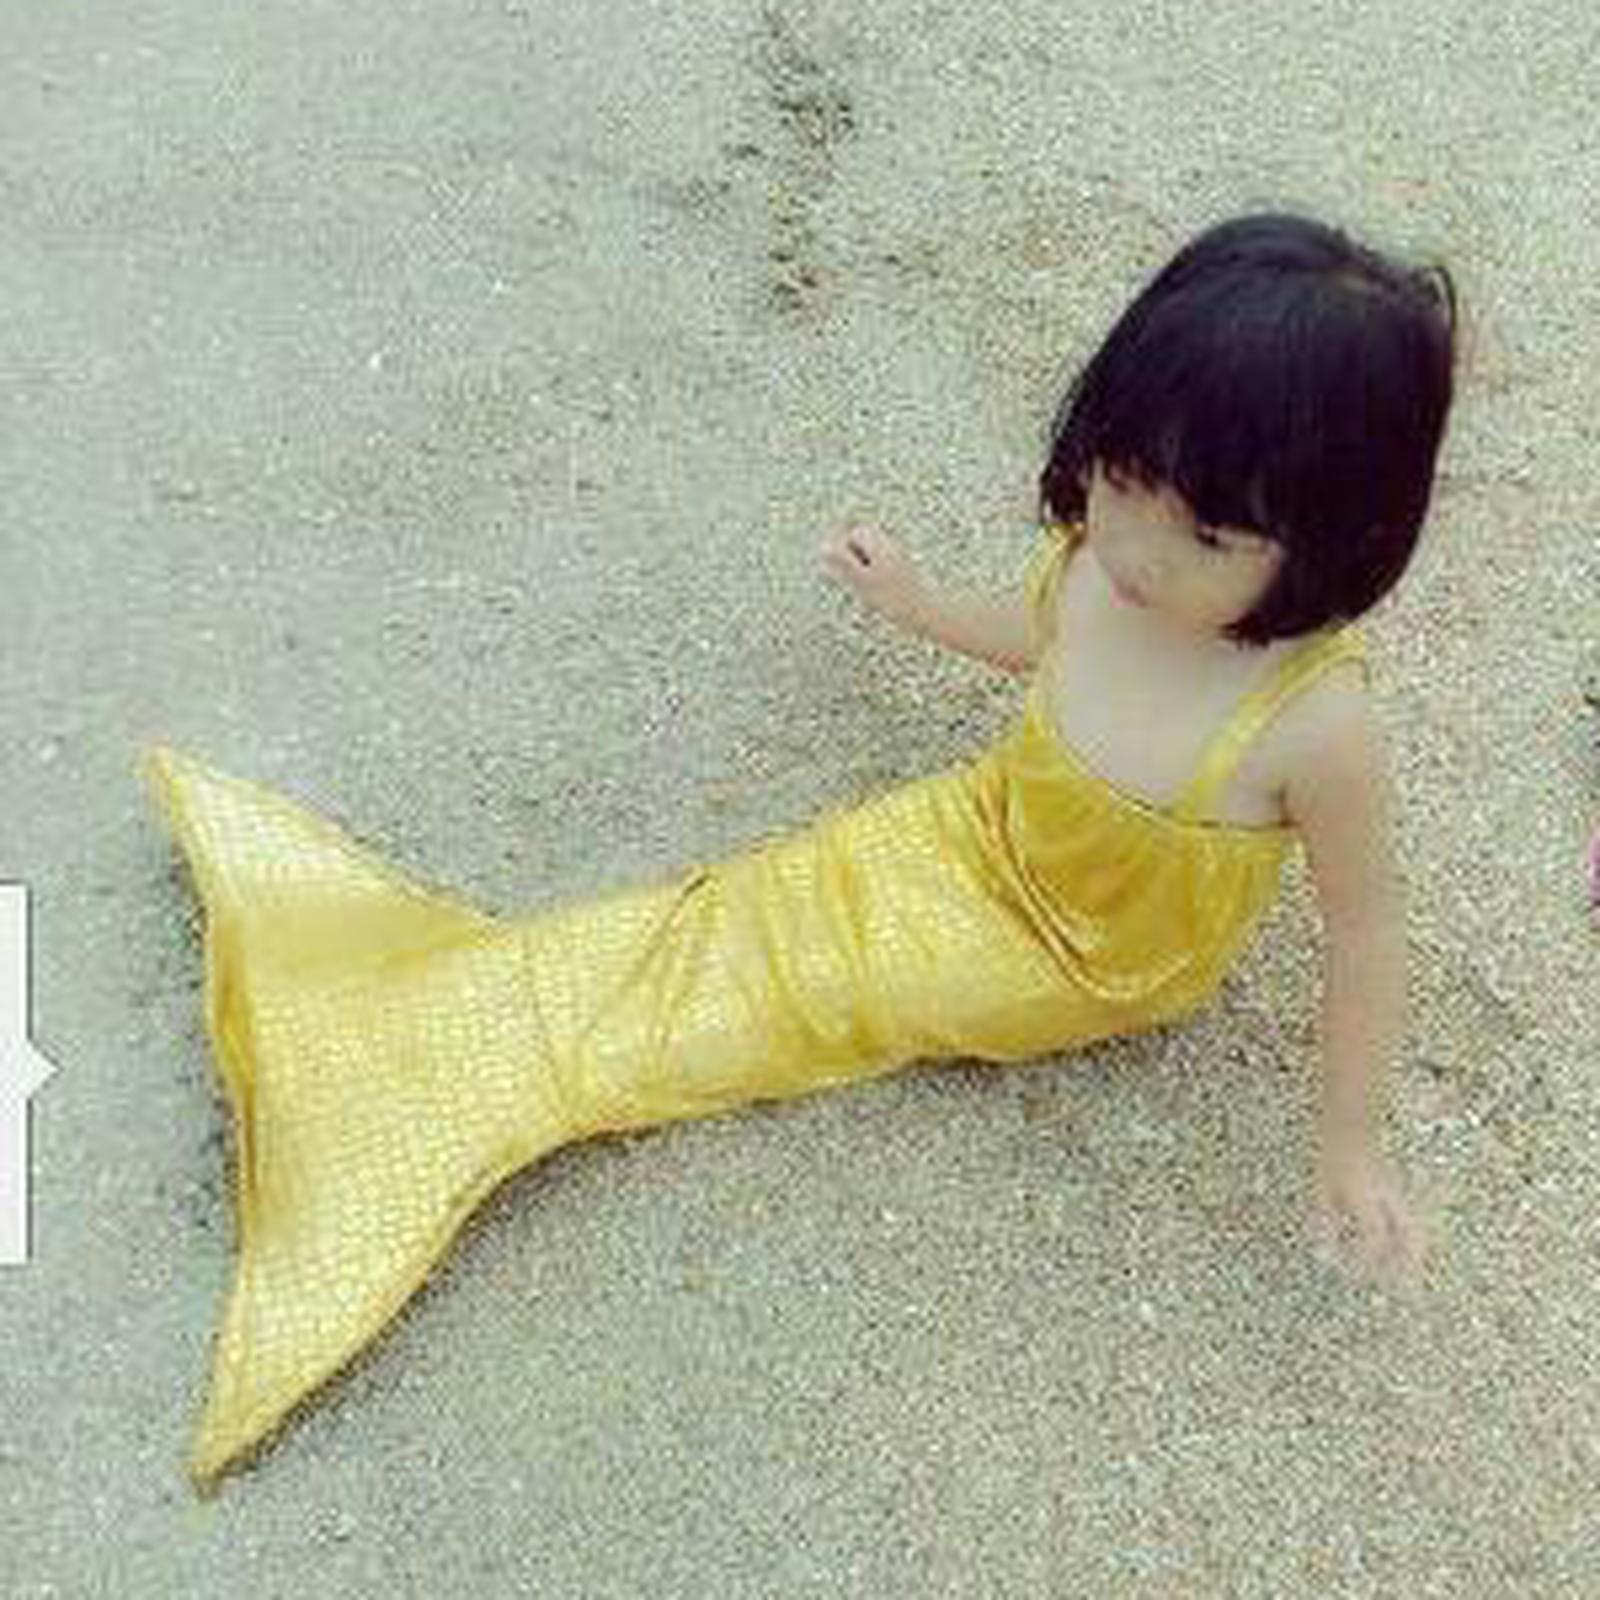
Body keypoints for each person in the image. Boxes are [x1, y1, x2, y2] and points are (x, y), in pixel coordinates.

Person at [147, 210, 1457, 1491]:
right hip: (978, 825)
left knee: (797, 996)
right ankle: (402, 1007)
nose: (1134, 550)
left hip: (1081, 957)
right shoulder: (1100, 570)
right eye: (1122, 482)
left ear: (1340, 537)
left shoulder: (1314, 728)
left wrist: (1349, 1144)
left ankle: (443, 1114)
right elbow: (1044, 638)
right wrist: (917, 604)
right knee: (744, 910)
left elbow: (1366, 932)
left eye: (1208, 536)